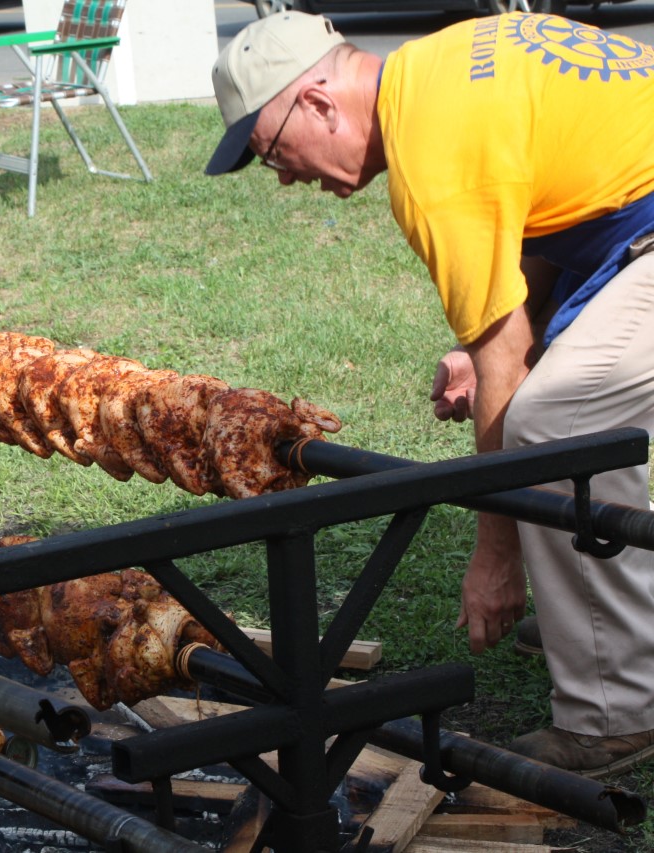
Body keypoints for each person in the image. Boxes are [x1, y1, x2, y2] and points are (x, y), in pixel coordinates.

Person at [206, 10, 654, 777]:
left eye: (272, 151)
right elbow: (545, 217)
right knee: (548, 399)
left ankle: (614, 715)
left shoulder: (430, 155)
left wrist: (495, 554)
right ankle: (598, 614)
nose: (284, 177)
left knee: (553, 415)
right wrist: (492, 349)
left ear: (316, 101)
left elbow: (507, 364)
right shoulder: (434, 69)